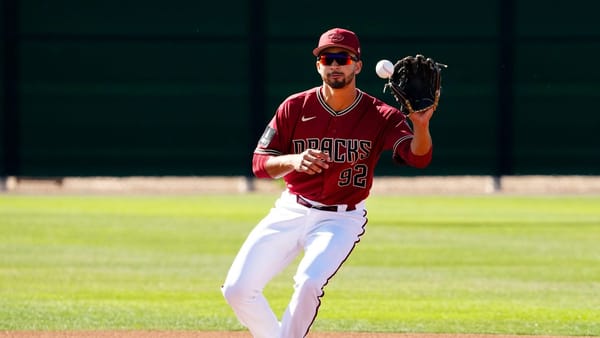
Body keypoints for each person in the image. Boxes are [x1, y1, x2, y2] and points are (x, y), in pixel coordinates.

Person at [221, 27, 436, 338]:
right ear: (318, 65)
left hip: (340, 219)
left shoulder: (381, 114)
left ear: (357, 65)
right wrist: (293, 160)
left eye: (342, 58)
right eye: (327, 58)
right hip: (290, 209)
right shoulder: (295, 106)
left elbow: (418, 158)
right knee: (237, 290)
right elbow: (260, 163)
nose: (335, 64)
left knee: (309, 282)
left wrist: (421, 125)